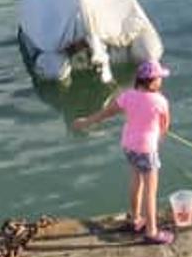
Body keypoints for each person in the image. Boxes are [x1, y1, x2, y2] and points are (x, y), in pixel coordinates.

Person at [74, 59, 173, 243]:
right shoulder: (160, 101)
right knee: (151, 191)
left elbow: (107, 112)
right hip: (146, 149)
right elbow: (165, 126)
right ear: (151, 81)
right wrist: (159, 136)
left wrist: (86, 121)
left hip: (129, 146)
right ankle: (151, 231)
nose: (161, 81)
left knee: (136, 181)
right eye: (159, 78)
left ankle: (135, 220)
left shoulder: (127, 96)